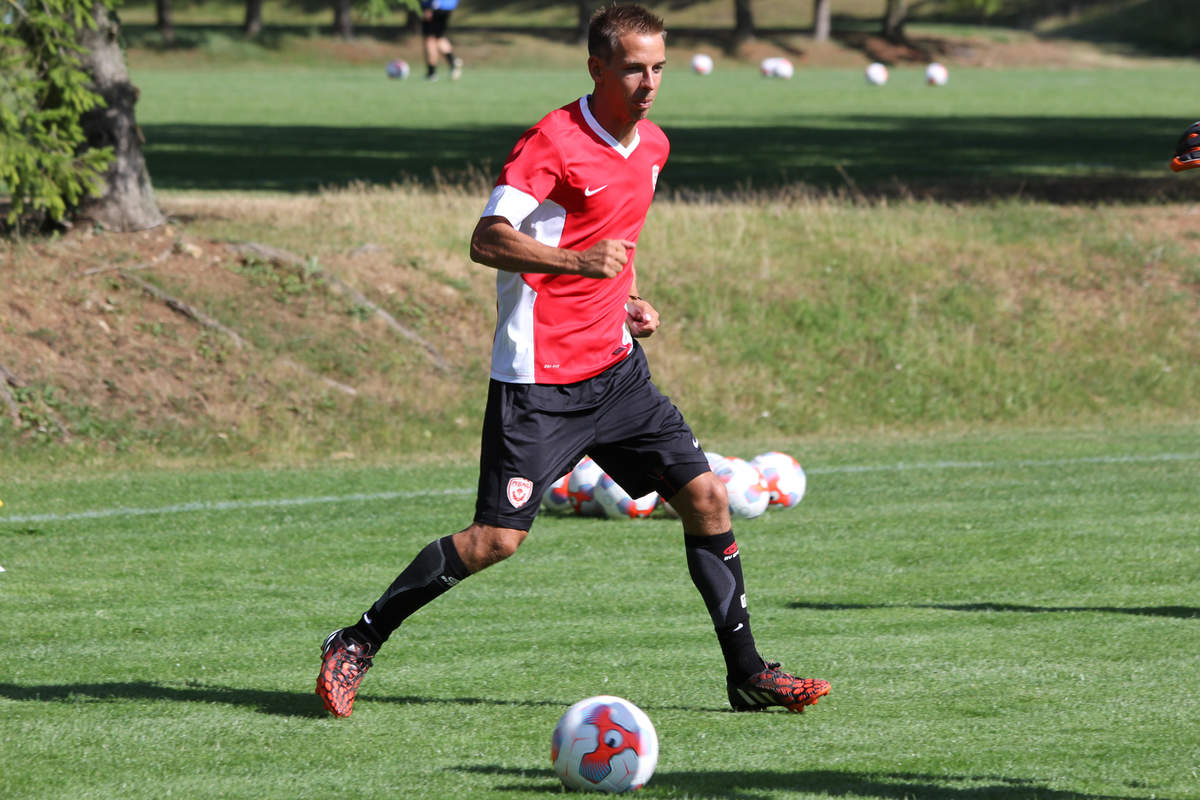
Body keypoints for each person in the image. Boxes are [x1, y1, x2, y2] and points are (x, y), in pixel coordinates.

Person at [316, 3, 830, 718]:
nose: (649, 83)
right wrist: (576, 262)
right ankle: (356, 639)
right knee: (496, 540)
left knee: (708, 498)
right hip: (539, 382)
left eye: (658, 68)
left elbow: (615, 245)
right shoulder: (551, 142)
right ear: (597, 68)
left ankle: (747, 674)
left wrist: (629, 301)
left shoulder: (652, 147)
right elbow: (486, 239)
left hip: (617, 374)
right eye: (633, 69)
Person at [419, 0, 462, 82]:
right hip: (448, 6)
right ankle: (453, 61)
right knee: (438, 37)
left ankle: (431, 73)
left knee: (430, 39)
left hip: (435, 6)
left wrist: (430, 7)